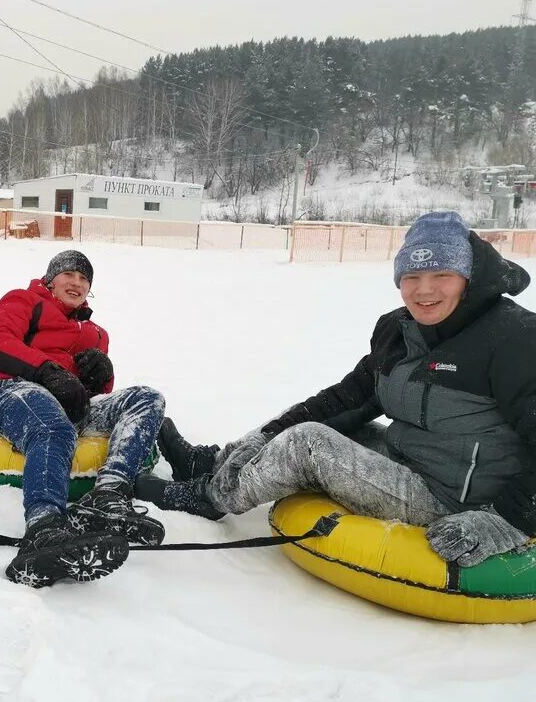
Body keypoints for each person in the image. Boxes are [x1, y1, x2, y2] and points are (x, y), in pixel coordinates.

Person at [140, 211, 536, 569]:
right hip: (412, 459)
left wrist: (507, 520)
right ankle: (211, 463)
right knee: (316, 421)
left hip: (458, 498)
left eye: (441, 276)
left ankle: (210, 499)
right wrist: (264, 436)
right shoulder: (400, 330)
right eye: (411, 277)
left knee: (308, 444)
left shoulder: (513, 338)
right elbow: (348, 399)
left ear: (468, 278)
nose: (423, 290)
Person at [0, 249, 166, 588]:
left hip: (71, 406)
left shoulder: (96, 333)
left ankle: (109, 496)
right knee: (52, 427)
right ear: (50, 279)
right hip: (11, 391)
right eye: (68, 275)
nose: (76, 282)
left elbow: (90, 392)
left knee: (147, 398)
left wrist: (103, 376)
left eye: (84, 278)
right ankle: (44, 530)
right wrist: (45, 370)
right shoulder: (24, 301)